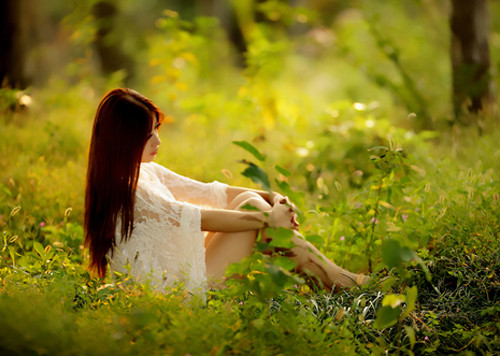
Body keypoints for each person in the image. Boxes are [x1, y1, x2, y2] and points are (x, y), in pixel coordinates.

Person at [84, 88, 368, 295]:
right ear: (121, 140)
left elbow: (211, 192)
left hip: (186, 271)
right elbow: (201, 218)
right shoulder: (128, 189)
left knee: (249, 200)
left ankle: (334, 280)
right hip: (178, 294)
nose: (158, 140)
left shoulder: (142, 170)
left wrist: (274, 199)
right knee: (254, 211)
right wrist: (270, 219)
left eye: (157, 130)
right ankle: (341, 282)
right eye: (147, 136)